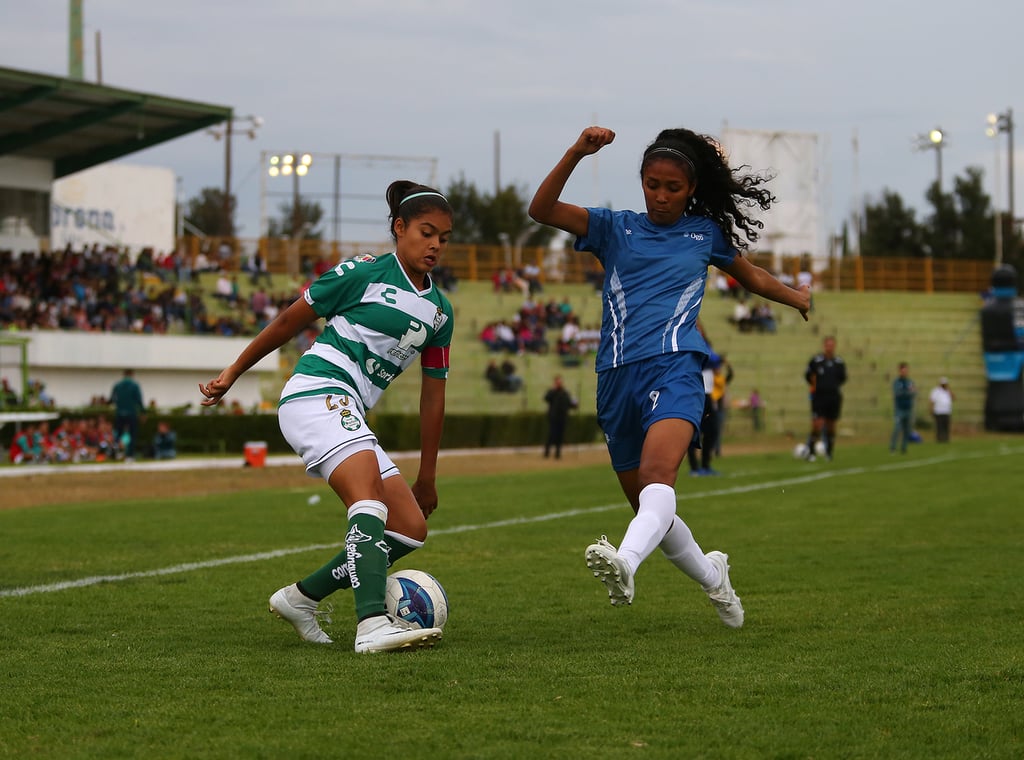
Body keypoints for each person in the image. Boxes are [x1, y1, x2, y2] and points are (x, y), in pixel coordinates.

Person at [529, 125, 810, 626]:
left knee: (659, 479)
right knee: (649, 507)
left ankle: (625, 562)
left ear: (692, 190)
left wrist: (796, 297)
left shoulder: (705, 235)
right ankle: (714, 579)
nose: (660, 195)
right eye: (651, 184)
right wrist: (576, 152)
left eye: (673, 187)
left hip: (676, 365)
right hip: (614, 377)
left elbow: (752, 276)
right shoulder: (614, 228)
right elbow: (541, 210)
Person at [199, 181, 454, 654]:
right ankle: (373, 623)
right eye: (426, 232)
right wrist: (233, 371)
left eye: (443, 236)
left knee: (410, 527)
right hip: (316, 395)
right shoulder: (363, 272)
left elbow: (433, 396)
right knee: (369, 502)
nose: (436, 244)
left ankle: (301, 598)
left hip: (348, 410)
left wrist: (429, 475)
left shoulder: (440, 311)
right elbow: (286, 322)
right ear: (399, 229)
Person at [802, 336, 847, 461]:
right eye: (827, 345)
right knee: (817, 424)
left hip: (833, 397)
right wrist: (816, 387)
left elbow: (842, 379)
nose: (829, 347)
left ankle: (829, 452)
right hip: (819, 397)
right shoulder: (816, 361)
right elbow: (808, 376)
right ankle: (811, 452)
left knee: (831, 425)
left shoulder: (839, 362)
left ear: (834, 346)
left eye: (832, 345)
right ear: (824, 346)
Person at [110, 369, 145, 461]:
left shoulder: (117, 385)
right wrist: (143, 412)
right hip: (131, 413)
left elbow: (112, 399)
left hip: (120, 413)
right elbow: (139, 400)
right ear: (132, 375)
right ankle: (130, 455)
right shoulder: (135, 385)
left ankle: (116, 452)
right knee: (132, 434)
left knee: (118, 434)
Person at [543, 374, 578, 459]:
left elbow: (569, 404)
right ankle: (547, 452)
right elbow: (546, 398)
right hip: (553, 417)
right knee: (552, 435)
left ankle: (557, 453)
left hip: (563, 418)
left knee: (560, 436)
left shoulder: (565, 393)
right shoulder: (552, 392)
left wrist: (575, 404)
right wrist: (553, 390)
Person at [890, 362, 917, 453]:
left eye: (906, 370)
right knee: (897, 428)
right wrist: (908, 393)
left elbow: (914, 393)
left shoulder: (910, 382)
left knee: (907, 429)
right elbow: (898, 394)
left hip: (908, 408)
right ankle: (893, 447)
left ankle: (904, 447)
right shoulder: (897, 382)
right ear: (900, 371)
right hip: (899, 409)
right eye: (903, 370)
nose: (905, 372)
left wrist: (907, 393)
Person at [929, 377, 954, 443]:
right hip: (938, 411)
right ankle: (939, 439)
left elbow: (953, 397)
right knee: (939, 427)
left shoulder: (948, 391)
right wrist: (931, 410)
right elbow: (932, 401)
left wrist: (949, 390)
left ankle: (946, 439)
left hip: (947, 411)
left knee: (946, 426)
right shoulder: (936, 391)